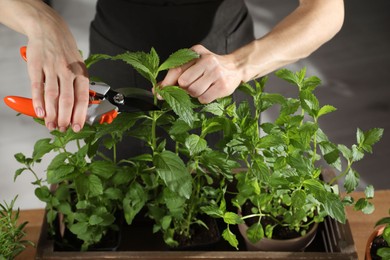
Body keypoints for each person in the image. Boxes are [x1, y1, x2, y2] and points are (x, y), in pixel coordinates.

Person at [0, 0, 344, 135]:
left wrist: (238, 65)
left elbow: (326, 9)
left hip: (220, 66)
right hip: (118, 58)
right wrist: (42, 20)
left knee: (220, 192)